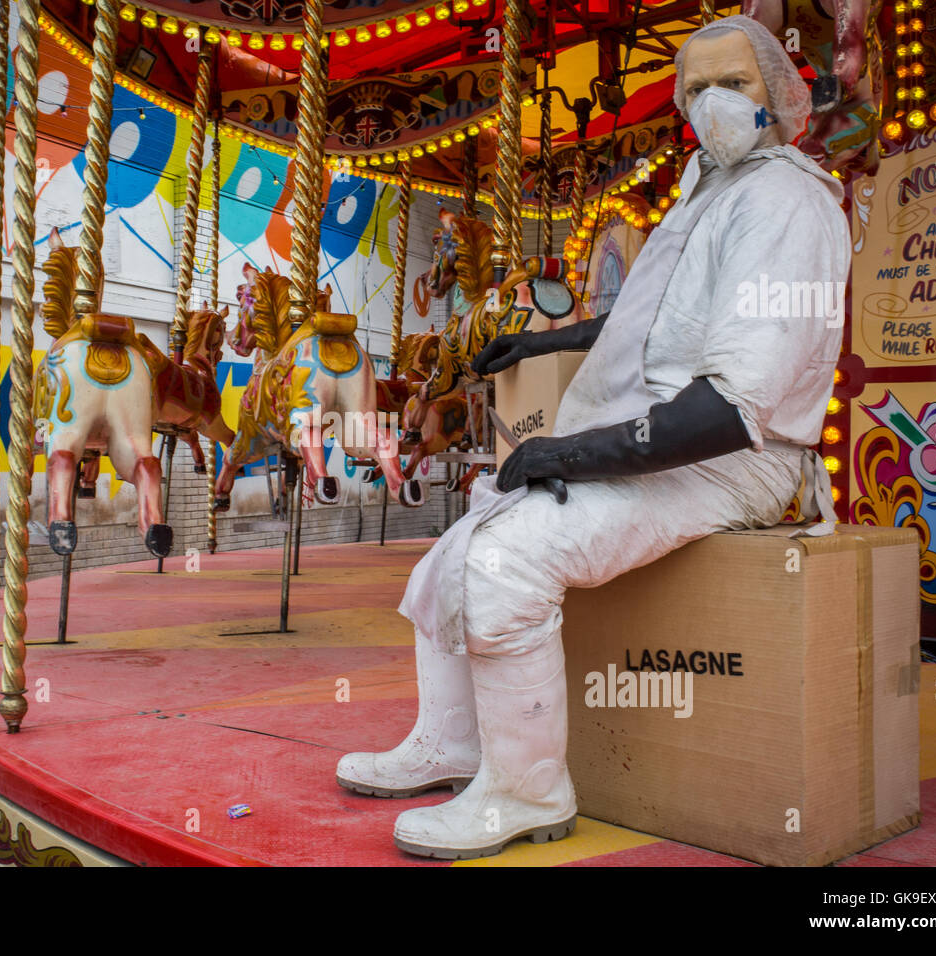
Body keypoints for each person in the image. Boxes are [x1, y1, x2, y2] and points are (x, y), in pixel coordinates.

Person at [335, 14, 850, 860]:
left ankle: (529, 791)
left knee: (506, 559)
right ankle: (454, 743)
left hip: (737, 461)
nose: (708, 103)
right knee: (452, 551)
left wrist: (568, 453)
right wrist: (539, 343)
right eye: (693, 89)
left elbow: (733, 406)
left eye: (733, 83)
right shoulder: (705, 192)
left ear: (781, 94)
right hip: (667, 435)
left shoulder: (785, 203)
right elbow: (641, 327)